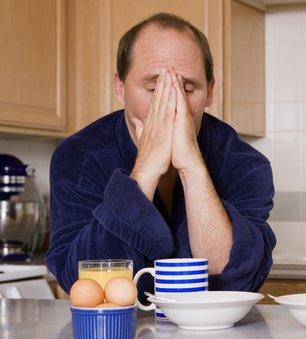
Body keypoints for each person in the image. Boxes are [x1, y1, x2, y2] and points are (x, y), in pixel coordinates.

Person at [45, 13, 276, 298]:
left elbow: (234, 279)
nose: (171, 103)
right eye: (154, 88)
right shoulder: (78, 156)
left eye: (188, 88)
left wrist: (192, 166)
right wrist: (145, 170)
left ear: (210, 92)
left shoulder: (245, 165)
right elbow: (82, 279)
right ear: (120, 88)